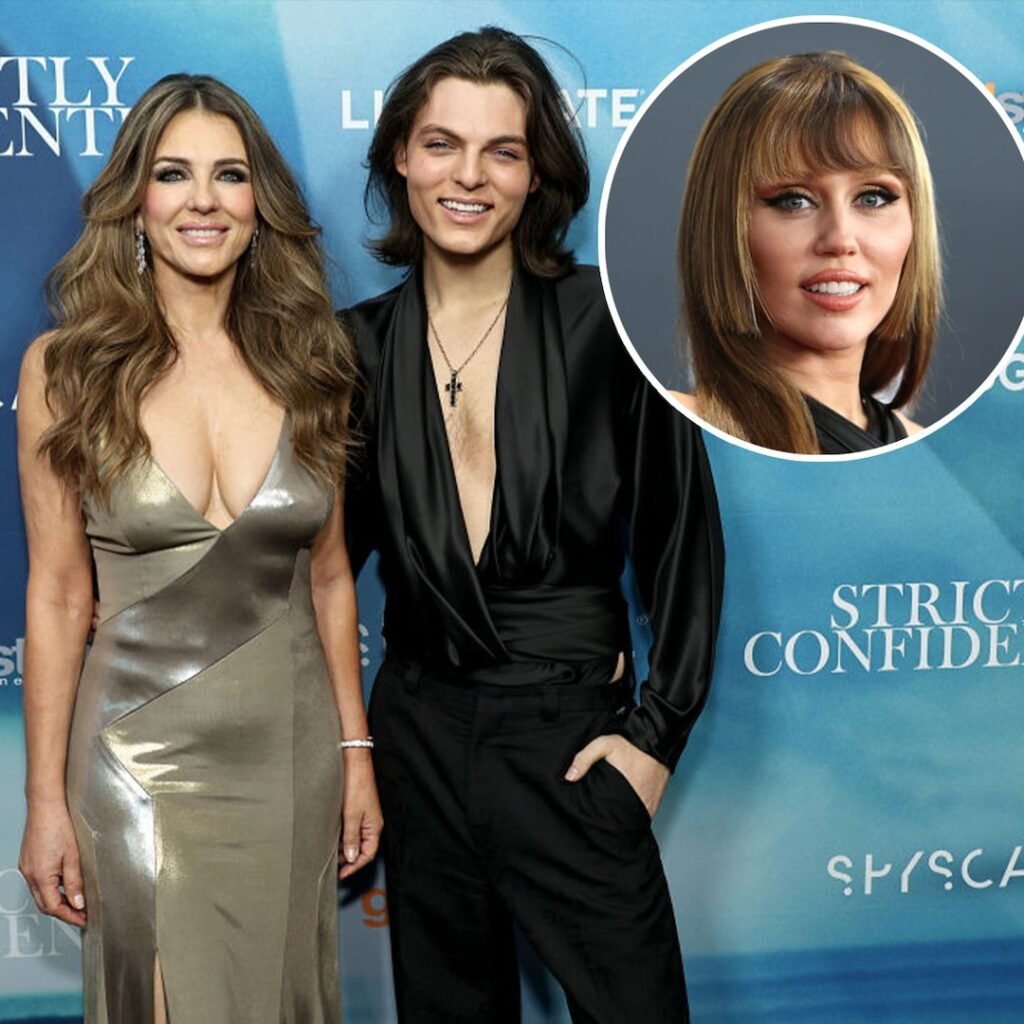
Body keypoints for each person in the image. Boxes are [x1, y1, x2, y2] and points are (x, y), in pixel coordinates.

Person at [343, 27, 723, 1024]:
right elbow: (317, 572)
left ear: (536, 172)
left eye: (501, 151)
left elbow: (682, 546)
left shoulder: (616, 324)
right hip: (417, 738)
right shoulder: (354, 351)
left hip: (571, 737)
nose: (467, 176)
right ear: (400, 154)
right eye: (441, 144)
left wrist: (654, 739)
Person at [16, 74, 381, 1024]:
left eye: (230, 174)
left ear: (260, 204)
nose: (203, 200)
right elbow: (58, 595)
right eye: (173, 174)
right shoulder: (66, 369)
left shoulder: (313, 364)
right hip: (134, 760)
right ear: (136, 199)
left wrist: (356, 753)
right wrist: (45, 801)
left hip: (291, 756)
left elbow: (330, 578)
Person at [673, 51, 942, 455]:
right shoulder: (669, 429)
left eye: (872, 197)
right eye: (794, 200)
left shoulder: (933, 454)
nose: (840, 239)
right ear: (724, 228)